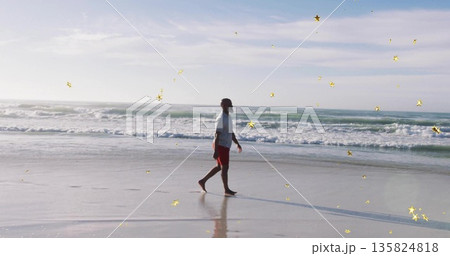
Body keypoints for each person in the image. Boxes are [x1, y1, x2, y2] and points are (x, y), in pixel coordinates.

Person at [198, 98, 242, 196]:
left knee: (219, 167)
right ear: (224, 106)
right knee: (225, 167)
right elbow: (217, 134)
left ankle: (202, 181)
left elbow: (231, 132)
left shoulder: (228, 117)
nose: (232, 106)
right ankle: (226, 189)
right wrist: (216, 151)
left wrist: (237, 143)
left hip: (225, 146)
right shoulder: (221, 118)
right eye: (230, 104)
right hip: (220, 145)